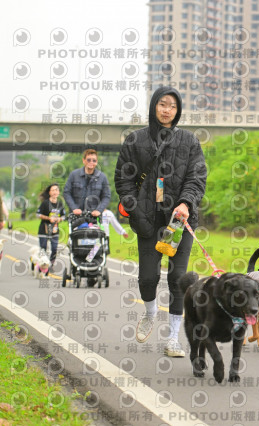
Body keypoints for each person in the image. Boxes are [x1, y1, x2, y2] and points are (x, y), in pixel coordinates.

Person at [115, 87, 207, 357]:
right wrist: (136, 211)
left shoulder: (189, 141)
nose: (167, 110)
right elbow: (123, 180)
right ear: (154, 106)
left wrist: (185, 203)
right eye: (163, 104)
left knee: (178, 278)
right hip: (148, 219)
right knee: (148, 278)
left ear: (178, 111)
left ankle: (173, 339)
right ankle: (150, 312)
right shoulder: (135, 140)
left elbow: (197, 177)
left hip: (179, 220)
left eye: (173, 106)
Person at [63, 149, 111, 217]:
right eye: (89, 160)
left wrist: (99, 210)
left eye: (94, 160)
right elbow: (66, 192)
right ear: (83, 160)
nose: (91, 162)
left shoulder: (102, 177)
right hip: (76, 216)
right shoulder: (74, 175)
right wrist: (74, 208)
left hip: (94, 216)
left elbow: (106, 196)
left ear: (97, 162)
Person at [36, 183, 66, 274]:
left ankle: (51, 265)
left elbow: (64, 216)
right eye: (53, 190)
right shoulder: (45, 203)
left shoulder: (60, 204)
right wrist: (48, 218)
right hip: (44, 228)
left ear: (59, 192)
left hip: (55, 229)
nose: (55, 192)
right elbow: (38, 214)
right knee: (43, 248)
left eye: (56, 190)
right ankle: (41, 265)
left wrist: (59, 219)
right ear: (49, 192)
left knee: (54, 249)